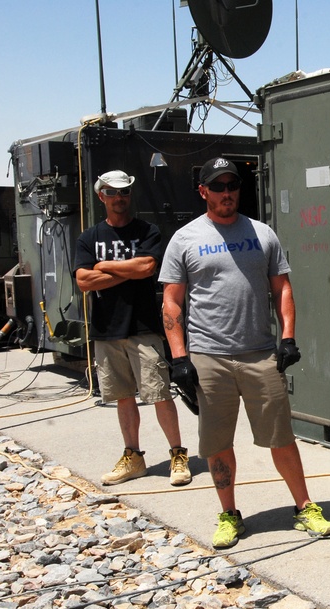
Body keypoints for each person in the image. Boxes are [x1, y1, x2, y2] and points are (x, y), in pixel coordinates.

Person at [159, 157, 330, 549]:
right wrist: (180, 358)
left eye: (232, 185)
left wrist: (287, 337)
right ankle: (229, 515)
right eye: (217, 186)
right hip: (209, 357)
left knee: (280, 436)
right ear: (203, 191)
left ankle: (305, 507)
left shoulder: (262, 234)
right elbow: (172, 304)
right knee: (217, 442)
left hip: (259, 354)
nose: (226, 193)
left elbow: (282, 289)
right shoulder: (184, 239)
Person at [74, 170, 191, 488]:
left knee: (160, 394)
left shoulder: (147, 231)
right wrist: (130, 270)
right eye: (112, 193)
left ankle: (178, 455)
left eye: (124, 192)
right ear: (102, 197)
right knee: (123, 397)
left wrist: (104, 266)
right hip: (107, 330)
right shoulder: (89, 237)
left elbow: (147, 267)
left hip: (143, 328)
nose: (118, 198)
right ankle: (133, 457)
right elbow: (84, 281)